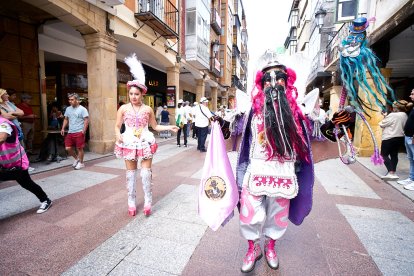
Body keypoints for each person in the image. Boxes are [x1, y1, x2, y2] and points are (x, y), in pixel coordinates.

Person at [236, 50, 314, 273]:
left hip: (284, 173)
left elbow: (315, 134)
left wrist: (334, 126)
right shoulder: (252, 109)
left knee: (278, 215)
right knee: (248, 213)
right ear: (262, 83)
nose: (273, 82)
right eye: (268, 78)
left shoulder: (298, 111)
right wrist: (218, 124)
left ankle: (271, 246)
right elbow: (235, 131)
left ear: (286, 80)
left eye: (278, 77)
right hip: (256, 170)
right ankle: (253, 248)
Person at [114, 53, 179, 217]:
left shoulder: (148, 109)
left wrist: (169, 127)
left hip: (145, 141)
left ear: (142, 94)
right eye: (131, 94)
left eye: (136, 94)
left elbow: (155, 127)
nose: (133, 97)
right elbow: (116, 126)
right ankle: (131, 201)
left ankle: (148, 200)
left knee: (145, 173)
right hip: (128, 141)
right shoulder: (123, 109)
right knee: (130, 175)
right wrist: (118, 136)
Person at [0, 113, 52, 214]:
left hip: (16, 165)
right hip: (4, 165)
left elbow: (2, 138)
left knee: (27, 184)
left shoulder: (4, 124)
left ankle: (45, 200)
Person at [379, 100, 410, 180]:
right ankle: (393, 172)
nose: (392, 108)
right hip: (399, 137)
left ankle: (391, 172)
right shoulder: (405, 115)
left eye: (393, 106)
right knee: (394, 155)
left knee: (383, 155)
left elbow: (382, 124)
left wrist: (385, 116)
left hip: (389, 137)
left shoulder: (393, 115)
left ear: (396, 107)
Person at [60, 93, 89, 170]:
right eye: (69, 99)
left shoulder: (83, 109)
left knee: (79, 148)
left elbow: (86, 120)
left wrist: (84, 130)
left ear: (77, 100)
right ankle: (77, 159)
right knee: (68, 148)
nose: (70, 101)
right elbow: (66, 119)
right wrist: (63, 128)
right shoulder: (68, 109)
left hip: (79, 131)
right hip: (70, 132)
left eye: (72, 99)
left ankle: (81, 163)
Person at [397, 89, 414, 190]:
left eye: (412, 94)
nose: (410, 95)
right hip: (408, 136)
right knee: (411, 159)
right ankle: (411, 178)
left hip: (412, 138)